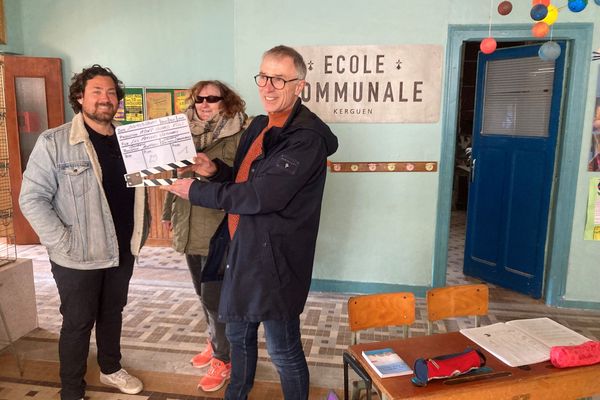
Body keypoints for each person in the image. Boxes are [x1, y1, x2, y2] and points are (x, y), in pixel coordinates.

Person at [163, 45, 338, 400]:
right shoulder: (259, 125)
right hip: (238, 249)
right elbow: (246, 182)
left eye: (279, 79)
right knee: (239, 338)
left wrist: (196, 192)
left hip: (274, 262)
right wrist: (214, 172)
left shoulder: (306, 139)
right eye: (263, 77)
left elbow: (262, 197)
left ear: (300, 86)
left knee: (283, 350)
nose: (268, 87)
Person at [19, 65, 150, 400]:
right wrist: (63, 242)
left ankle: (110, 369)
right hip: (78, 254)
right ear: (80, 97)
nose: (105, 99)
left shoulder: (130, 140)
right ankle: (72, 388)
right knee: (77, 323)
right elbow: (31, 199)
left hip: (122, 248)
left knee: (112, 313)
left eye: (110, 93)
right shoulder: (55, 142)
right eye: (96, 92)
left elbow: (142, 188)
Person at [161, 80, 247, 392]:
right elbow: (175, 175)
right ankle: (214, 342)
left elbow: (242, 182)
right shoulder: (183, 133)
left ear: (227, 102)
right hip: (188, 223)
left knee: (216, 299)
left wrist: (214, 170)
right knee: (202, 295)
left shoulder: (240, 134)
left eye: (213, 98)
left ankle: (224, 359)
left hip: (219, 229)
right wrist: (168, 214)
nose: (205, 103)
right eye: (200, 98)